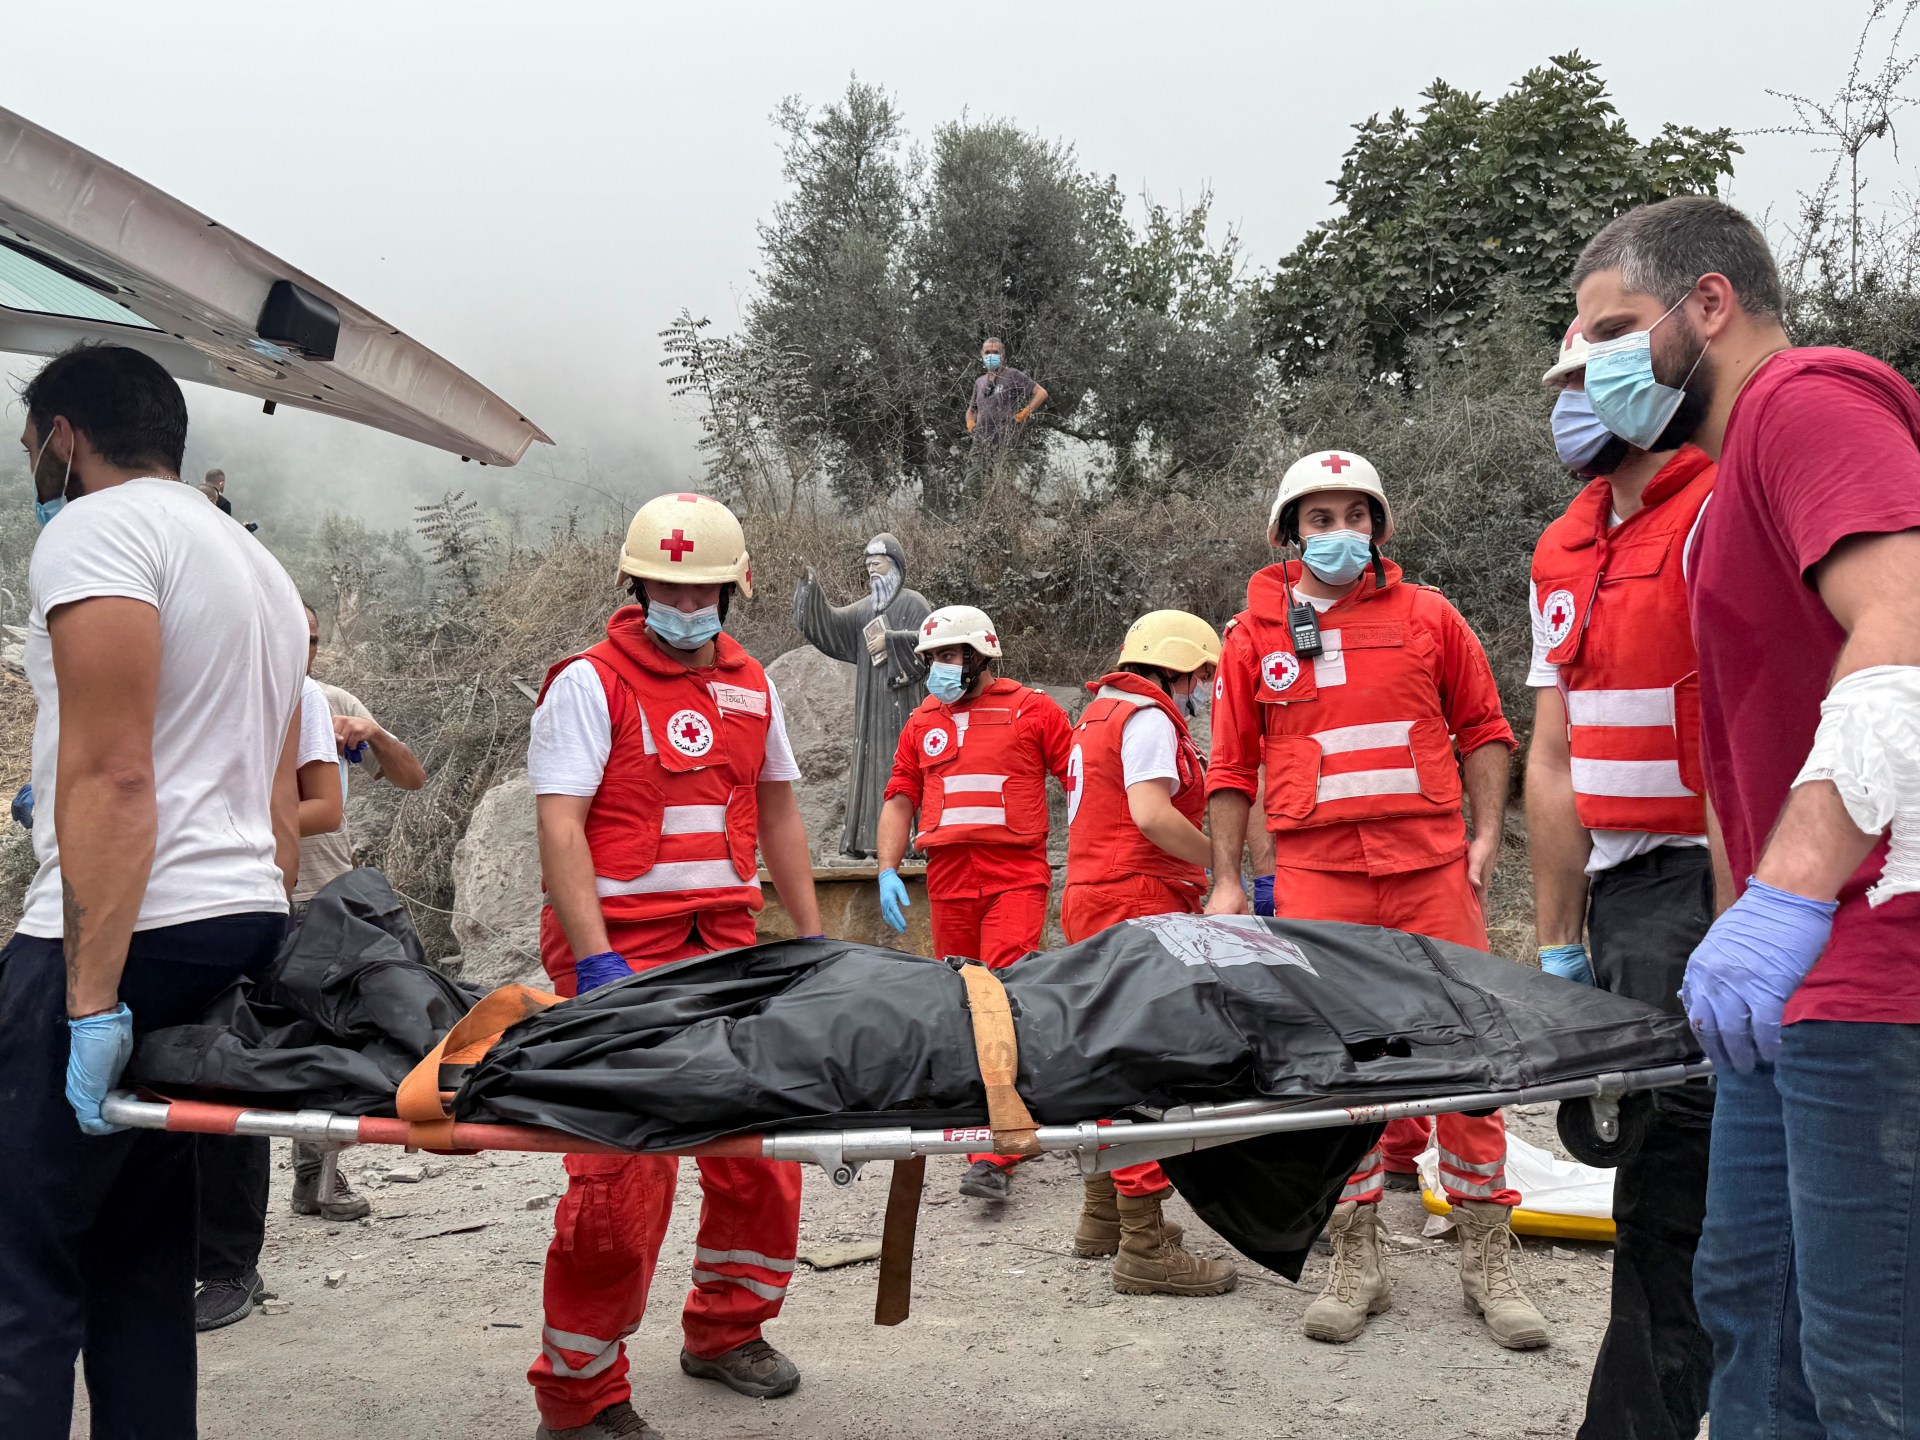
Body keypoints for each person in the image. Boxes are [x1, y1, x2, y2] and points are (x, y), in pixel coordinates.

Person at [1575, 195, 1920, 1435]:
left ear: (1707, 303)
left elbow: (1905, 632)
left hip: (1878, 971)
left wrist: (1787, 895)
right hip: (1791, 990)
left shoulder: (1810, 400)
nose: (1593, 362)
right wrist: (1743, 923)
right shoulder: (1721, 491)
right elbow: (1743, 760)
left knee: (1865, 1364)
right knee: (1747, 1314)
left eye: (1615, 326)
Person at [0, 344, 306, 1439]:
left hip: (124, 929)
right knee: (137, 1256)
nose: (32, 461)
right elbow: (275, 808)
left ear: (66, 437)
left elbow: (118, 772)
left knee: (20, 1268)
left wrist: (87, 998)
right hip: (231, 921)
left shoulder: (99, 530)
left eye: (34, 442)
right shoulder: (257, 567)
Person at [1203, 450, 1548, 1350]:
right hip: (1320, 879)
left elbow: (1485, 728)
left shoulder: (1430, 616)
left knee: (1470, 1059)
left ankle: (1486, 1253)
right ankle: (1357, 1256)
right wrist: (1230, 881)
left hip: (1431, 868)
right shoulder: (1251, 638)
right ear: (1288, 534)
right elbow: (1232, 769)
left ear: (1379, 527)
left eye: (1356, 516)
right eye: (1320, 519)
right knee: (1339, 1069)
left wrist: (1482, 838)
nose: (1340, 534)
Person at [526, 491, 822, 1440]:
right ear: (634, 584)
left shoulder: (751, 686)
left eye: (699, 590)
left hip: (725, 948)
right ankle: (579, 1399)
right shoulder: (588, 683)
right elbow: (560, 827)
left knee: (759, 1155)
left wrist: (809, 943)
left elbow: (777, 811)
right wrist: (600, 961)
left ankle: (727, 1331)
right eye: (664, 586)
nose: (683, 604)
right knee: (621, 1180)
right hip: (624, 954)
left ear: (733, 593)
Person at [1528, 318, 1718, 1438]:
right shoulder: (1564, 546)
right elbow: (1556, 758)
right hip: (1628, 900)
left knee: (1692, 1192)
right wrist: (1561, 947)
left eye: (1585, 379)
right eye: (1559, 383)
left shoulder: (1719, 510)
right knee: (1655, 1185)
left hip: (1721, 880)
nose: (1569, 403)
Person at [1058, 608, 1238, 1297]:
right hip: (1135, 893)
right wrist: (1225, 863)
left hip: (1093, 892)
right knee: (1144, 1063)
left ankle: (1103, 1213)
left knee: (1106, 1053)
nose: (1200, 687)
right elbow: (1153, 814)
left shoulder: (1099, 712)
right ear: (1180, 666)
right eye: (1200, 675)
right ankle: (1144, 1241)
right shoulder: (1151, 718)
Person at [875, 603, 1072, 1203]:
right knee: (960, 1002)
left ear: (983, 656)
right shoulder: (921, 722)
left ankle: (998, 1145)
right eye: (931, 657)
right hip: (949, 878)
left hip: (1015, 874)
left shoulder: (1034, 710)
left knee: (1002, 996)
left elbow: (1082, 780)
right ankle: (976, 1117)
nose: (938, 667)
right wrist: (886, 868)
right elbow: (900, 795)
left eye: (949, 655)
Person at [193, 659, 343, 1331]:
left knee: (230, 1082)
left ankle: (229, 1265)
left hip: (244, 909)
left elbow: (318, 806)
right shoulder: (147, 676)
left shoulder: (289, 690)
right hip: (146, 909)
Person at [791, 534, 932, 855]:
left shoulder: (914, 603)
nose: (871, 571)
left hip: (907, 706)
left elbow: (931, 641)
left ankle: (914, 842)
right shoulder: (865, 609)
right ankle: (870, 841)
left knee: (907, 766)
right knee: (872, 766)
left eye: (877, 564)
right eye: (868, 565)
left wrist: (892, 640)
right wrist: (808, 583)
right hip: (871, 710)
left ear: (894, 565)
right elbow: (828, 622)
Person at [965, 338, 1047, 453]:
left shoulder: (1012, 374)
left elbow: (1041, 393)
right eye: (987, 353)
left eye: (995, 352)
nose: (991, 356)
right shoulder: (980, 382)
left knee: (1004, 471)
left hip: (1006, 441)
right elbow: (971, 410)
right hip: (980, 442)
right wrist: (970, 424)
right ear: (982, 354)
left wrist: (1022, 415)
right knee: (973, 471)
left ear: (1002, 355)